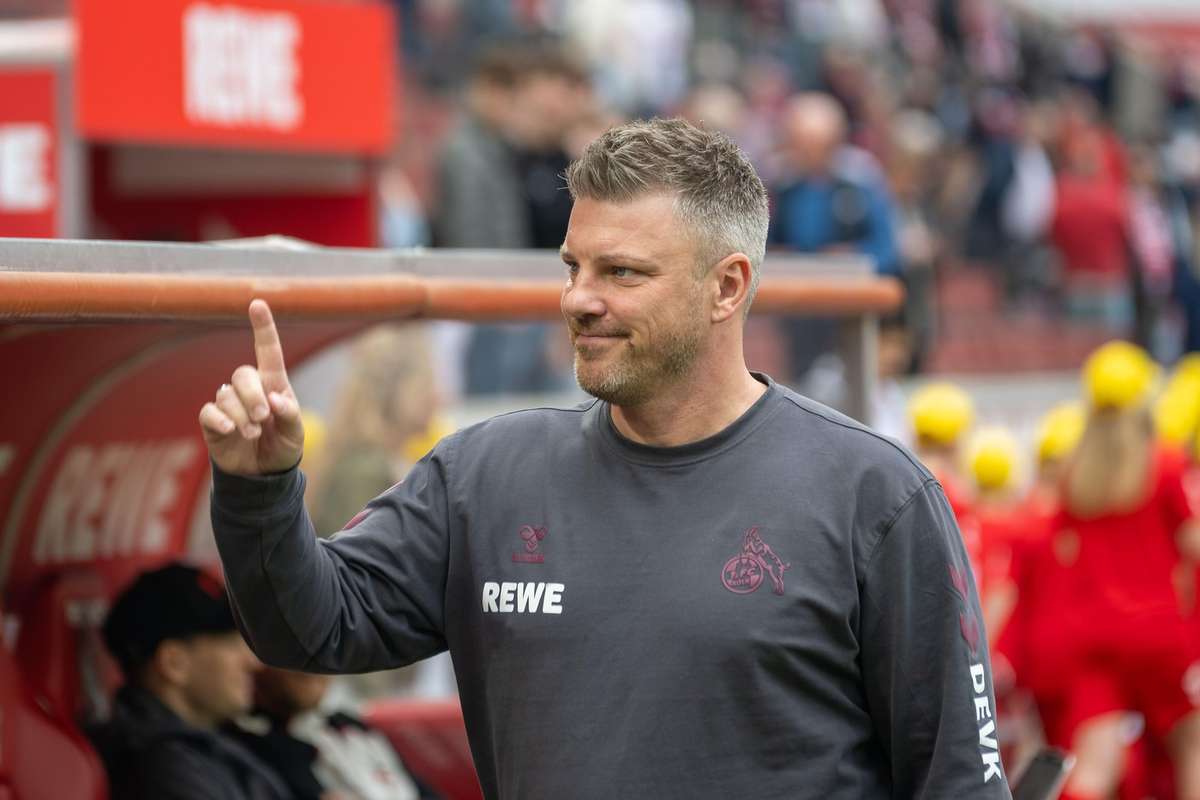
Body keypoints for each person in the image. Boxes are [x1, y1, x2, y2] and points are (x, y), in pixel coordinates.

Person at [199, 118, 1012, 798]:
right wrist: (259, 487)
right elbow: (306, 631)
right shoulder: (484, 476)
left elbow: (957, 782)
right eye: (573, 266)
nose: (579, 299)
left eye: (621, 272)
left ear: (727, 287)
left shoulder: (874, 496)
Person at [88, 562, 290, 800]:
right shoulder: (162, 768)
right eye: (231, 644)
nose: (254, 663)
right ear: (174, 663)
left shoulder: (199, 741)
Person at [227, 666, 440, 800]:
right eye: (290, 650)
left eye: (319, 646)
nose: (312, 664)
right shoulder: (244, 746)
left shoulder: (354, 727)